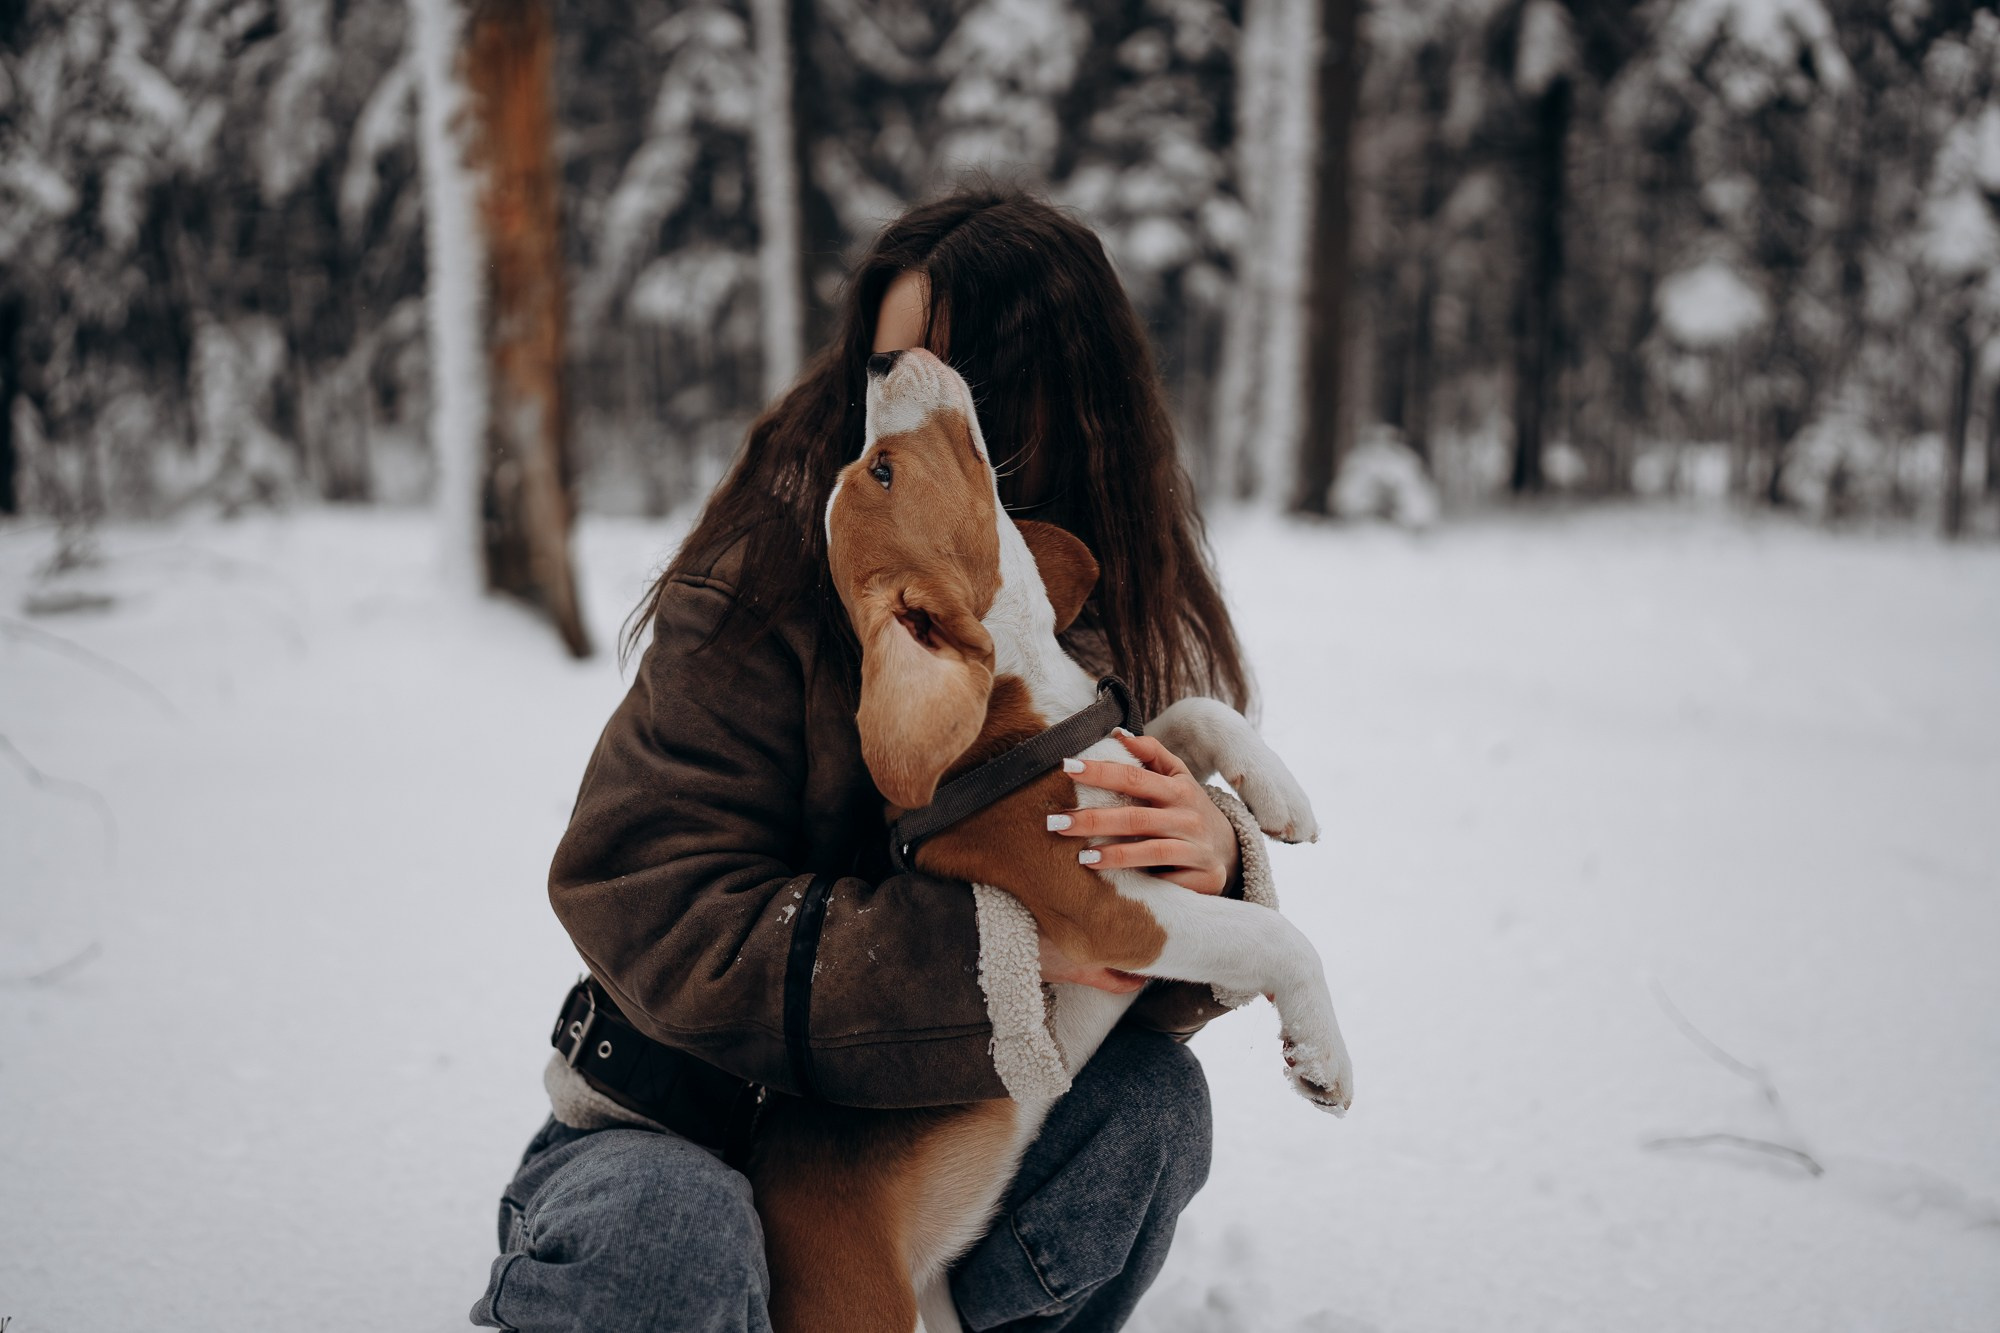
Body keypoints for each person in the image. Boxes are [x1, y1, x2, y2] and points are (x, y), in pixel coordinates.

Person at [471, 184, 1279, 1333]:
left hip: (904, 1160)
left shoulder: (1095, 602)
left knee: (1148, 1109)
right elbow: (643, 888)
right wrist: (987, 954)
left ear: (1065, 406)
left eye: (965, 377)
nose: (909, 395)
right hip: (682, 1121)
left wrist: (1205, 858)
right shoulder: (769, 568)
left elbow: (1111, 980)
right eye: (888, 360)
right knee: (668, 1238)